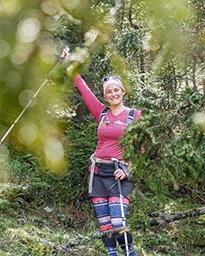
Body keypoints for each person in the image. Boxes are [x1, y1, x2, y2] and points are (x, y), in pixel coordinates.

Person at [62, 48, 140, 256]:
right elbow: (84, 89)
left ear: (123, 92)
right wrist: (71, 63)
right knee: (105, 224)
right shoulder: (102, 112)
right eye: (109, 92)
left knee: (118, 222)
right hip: (97, 173)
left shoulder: (133, 116)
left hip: (118, 174)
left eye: (116, 90)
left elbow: (141, 149)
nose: (113, 94)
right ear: (105, 95)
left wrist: (128, 169)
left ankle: (130, 254)